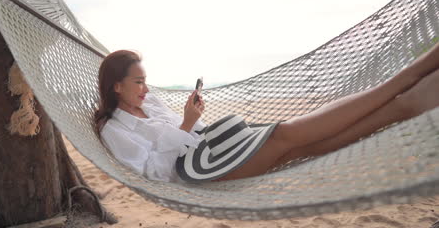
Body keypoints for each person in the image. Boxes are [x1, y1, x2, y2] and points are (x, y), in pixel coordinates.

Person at [94, 43, 439, 183]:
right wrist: (186, 123)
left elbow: (185, 131)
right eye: (139, 82)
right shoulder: (114, 130)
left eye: (146, 81)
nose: (146, 89)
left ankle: (404, 106)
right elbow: (153, 172)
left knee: (299, 147)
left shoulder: (149, 104)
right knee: (284, 133)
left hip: (217, 145)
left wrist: (192, 117)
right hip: (201, 171)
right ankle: (407, 78)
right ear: (116, 87)